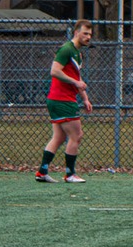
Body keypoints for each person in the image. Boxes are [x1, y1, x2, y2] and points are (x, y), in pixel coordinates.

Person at [36, 19, 96, 183]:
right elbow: (54, 71)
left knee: (59, 137)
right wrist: (75, 83)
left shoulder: (78, 53)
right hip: (62, 100)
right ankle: (70, 174)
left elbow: (76, 76)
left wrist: (85, 98)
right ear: (76, 33)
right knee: (77, 135)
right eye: (85, 33)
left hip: (58, 100)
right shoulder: (66, 49)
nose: (88, 37)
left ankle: (42, 172)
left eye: (90, 34)